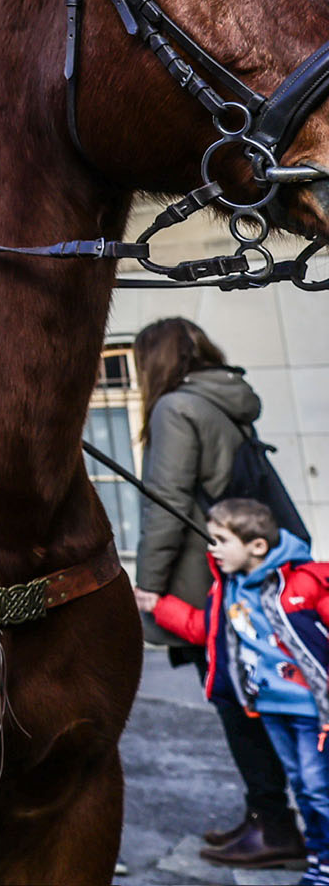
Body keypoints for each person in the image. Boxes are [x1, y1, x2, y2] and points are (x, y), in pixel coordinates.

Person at [133, 318, 306, 867]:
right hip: (248, 579)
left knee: (239, 705)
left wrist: (148, 588)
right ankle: (267, 817)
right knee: (254, 702)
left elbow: (167, 503)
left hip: (209, 586)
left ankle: (275, 826)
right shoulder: (225, 400)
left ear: (152, 361)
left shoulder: (175, 408)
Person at [139, 498, 329, 886]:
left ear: (256, 546)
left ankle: (324, 866)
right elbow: (201, 629)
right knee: (303, 788)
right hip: (271, 709)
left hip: (313, 711)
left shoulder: (305, 580)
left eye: (222, 540)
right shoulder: (227, 592)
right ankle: (318, 859)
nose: (213, 549)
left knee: (318, 787)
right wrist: (160, 605)